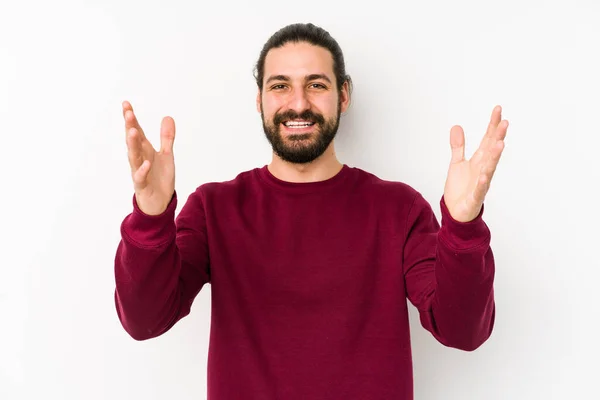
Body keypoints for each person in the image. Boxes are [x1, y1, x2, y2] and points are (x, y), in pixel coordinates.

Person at [114, 22, 508, 399]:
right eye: (280, 86)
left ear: (343, 95)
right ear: (259, 100)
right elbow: (145, 319)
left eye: (316, 85)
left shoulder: (398, 209)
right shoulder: (213, 208)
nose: (298, 103)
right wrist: (151, 217)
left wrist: (462, 226)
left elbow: (463, 331)